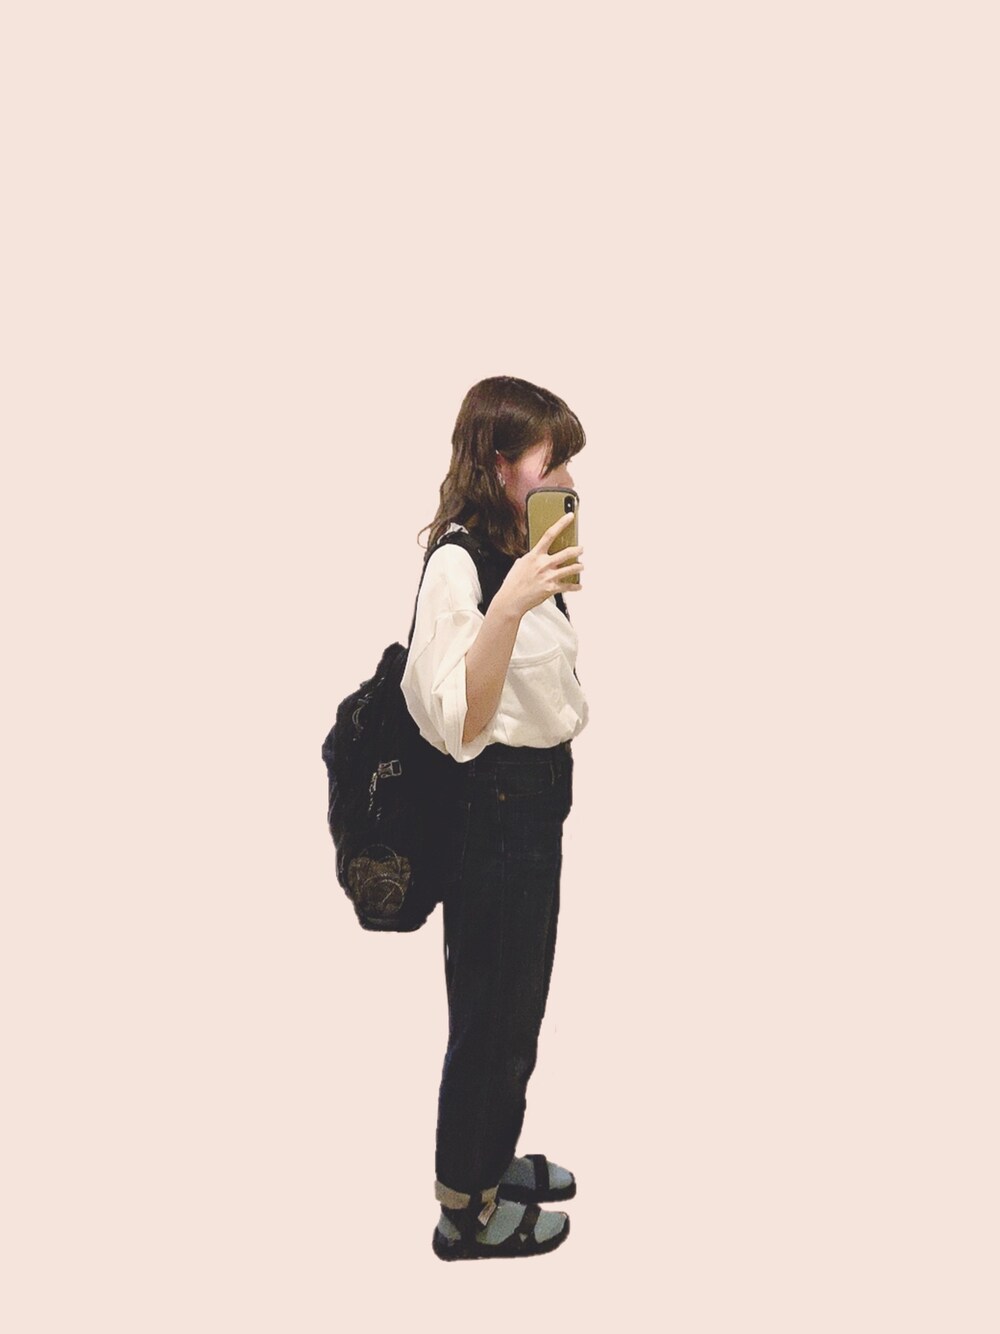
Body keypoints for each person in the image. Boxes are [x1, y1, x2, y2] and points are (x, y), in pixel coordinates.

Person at [400, 375, 589, 1260]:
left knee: (517, 1004)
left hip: (535, 801)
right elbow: (462, 720)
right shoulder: (461, 565)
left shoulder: (516, 544)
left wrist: (528, 588)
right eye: (552, 462)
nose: (568, 481)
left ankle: (488, 1156)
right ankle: (465, 1210)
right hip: (497, 807)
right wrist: (510, 603)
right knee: (492, 1013)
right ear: (501, 462)